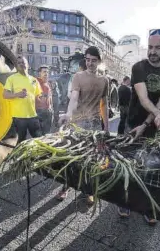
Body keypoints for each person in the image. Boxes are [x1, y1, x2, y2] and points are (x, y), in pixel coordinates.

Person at [118, 29, 160, 223]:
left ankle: (146, 205)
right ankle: (125, 201)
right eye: (150, 47)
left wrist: (150, 121)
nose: (152, 51)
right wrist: (155, 115)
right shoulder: (138, 68)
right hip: (133, 121)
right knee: (129, 162)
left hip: (154, 126)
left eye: (158, 48)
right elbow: (144, 100)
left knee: (153, 167)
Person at [57, 46, 109, 203]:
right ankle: (66, 186)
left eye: (93, 61)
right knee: (72, 157)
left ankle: (88, 190)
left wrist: (106, 127)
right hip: (78, 123)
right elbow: (73, 98)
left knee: (92, 159)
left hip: (94, 125)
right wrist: (68, 114)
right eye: (87, 60)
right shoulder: (78, 77)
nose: (90, 64)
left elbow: (104, 104)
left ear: (99, 61)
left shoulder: (105, 80)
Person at [3, 56, 42, 144]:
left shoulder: (34, 80)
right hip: (18, 117)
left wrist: (43, 101)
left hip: (32, 115)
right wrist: (17, 94)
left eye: (23, 62)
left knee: (39, 138)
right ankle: (18, 157)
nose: (21, 64)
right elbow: (5, 95)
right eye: (19, 63)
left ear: (27, 65)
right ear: (16, 66)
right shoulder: (11, 79)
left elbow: (37, 97)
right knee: (21, 141)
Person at [36, 65, 53, 135]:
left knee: (47, 134)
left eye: (47, 72)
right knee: (38, 135)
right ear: (39, 73)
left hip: (48, 112)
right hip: (39, 112)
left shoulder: (47, 84)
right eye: (44, 72)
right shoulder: (35, 82)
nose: (46, 74)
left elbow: (50, 97)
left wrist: (51, 108)